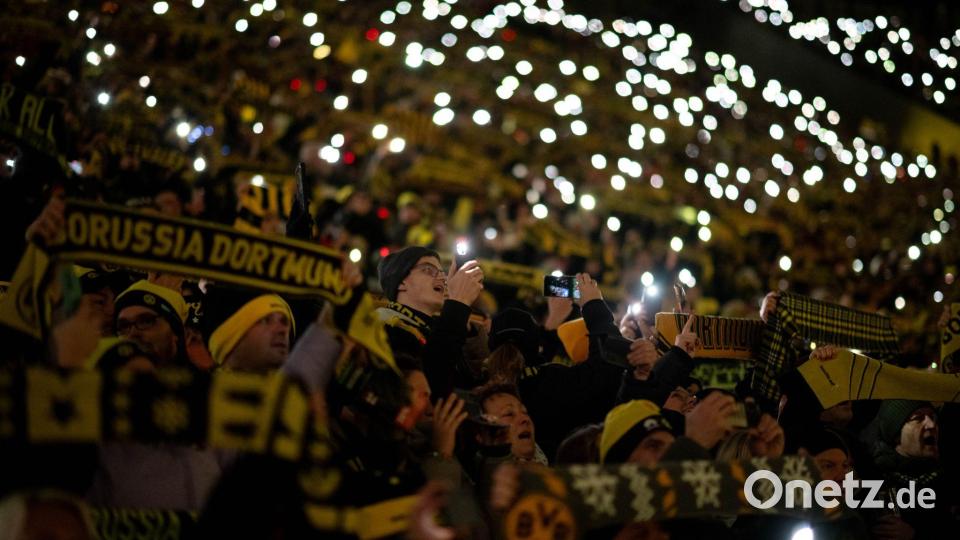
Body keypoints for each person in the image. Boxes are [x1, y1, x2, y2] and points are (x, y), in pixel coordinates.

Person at [377, 246, 484, 397]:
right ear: (400, 282)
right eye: (428, 270)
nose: (443, 279)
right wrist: (458, 304)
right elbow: (432, 380)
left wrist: (468, 331)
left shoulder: (439, 327)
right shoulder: (383, 324)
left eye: (442, 273)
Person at [204, 289, 295, 372]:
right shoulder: (199, 389)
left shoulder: (298, 388)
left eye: (284, 322)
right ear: (230, 337)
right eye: (265, 320)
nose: (283, 330)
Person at [113, 280, 189, 367]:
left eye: (146, 321)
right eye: (124, 326)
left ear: (175, 331)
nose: (133, 333)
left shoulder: (204, 379)